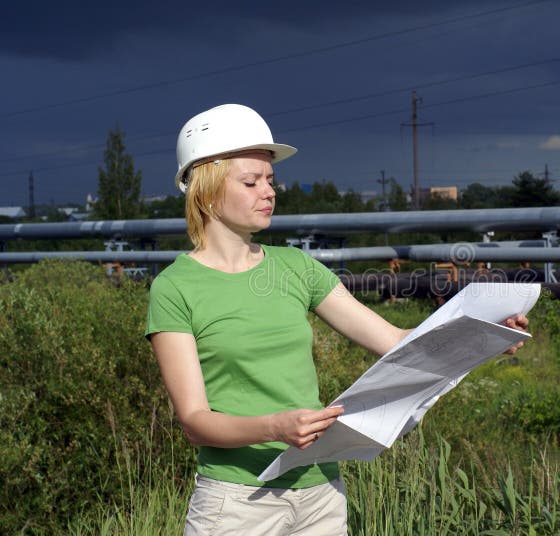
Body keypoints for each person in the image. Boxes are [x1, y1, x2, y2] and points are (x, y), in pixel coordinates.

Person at [145, 103, 529, 535]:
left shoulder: (296, 267)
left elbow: (395, 340)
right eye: (251, 182)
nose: (269, 192)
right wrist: (275, 427)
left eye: (271, 180)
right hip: (236, 505)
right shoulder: (175, 289)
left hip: (320, 496)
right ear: (207, 190)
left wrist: (482, 338)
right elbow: (196, 422)